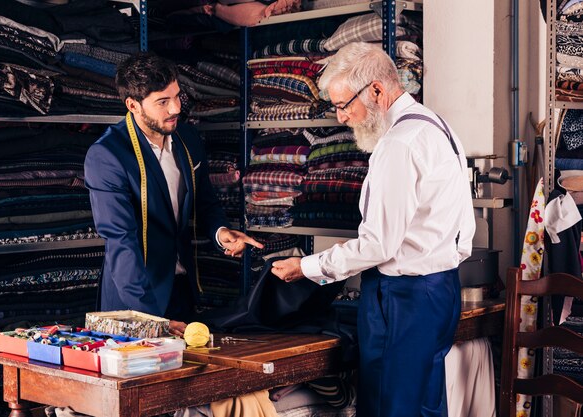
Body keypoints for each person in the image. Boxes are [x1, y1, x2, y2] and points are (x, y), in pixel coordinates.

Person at [271, 42, 475, 417]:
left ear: (377, 91)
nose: (341, 118)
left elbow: (378, 244)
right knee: (426, 407)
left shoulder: (398, 145)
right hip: (441, 289)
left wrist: (306, 267)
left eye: (344, 105)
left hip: (403, 298)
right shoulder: (437, 126)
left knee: (388, 407)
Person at [85, 53, 262, 337]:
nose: (176, 108)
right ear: (133, 105)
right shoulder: (108, 155)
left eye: (177, 96)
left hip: (182, 288)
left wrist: (220, 232)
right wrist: (148, 321)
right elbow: (121, 241)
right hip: (135, 298)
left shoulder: (187, 138)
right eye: (163, 102)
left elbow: (205, 201)